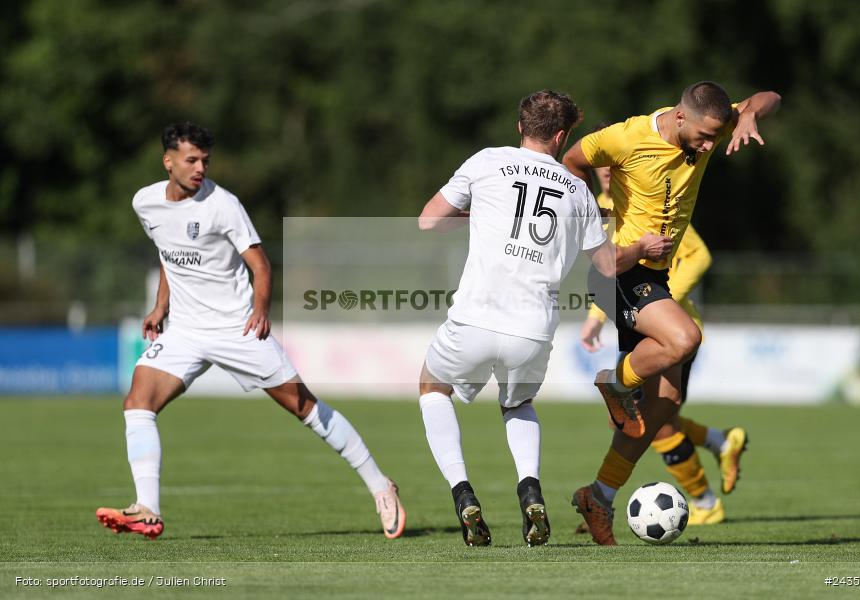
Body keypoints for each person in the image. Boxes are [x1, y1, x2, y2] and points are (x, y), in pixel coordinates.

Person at [96, 123, 405, 540]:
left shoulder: (223, 205)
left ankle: (380, 485)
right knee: (138, 401)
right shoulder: (145, 203)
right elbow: (170, 254)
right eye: (191, 160)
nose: (200, 168)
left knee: (305, 408)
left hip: (236, 326)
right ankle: (147, 509)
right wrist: (161, 305)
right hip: (185, 329)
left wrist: (260, 310)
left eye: (205, 160)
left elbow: (260, 264)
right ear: (168, 162)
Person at [563, 81, 780, 544]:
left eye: (713, 137)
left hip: (653, 278)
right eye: (703, 136)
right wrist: (593, 229)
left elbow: (770, 96)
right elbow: (572, 161)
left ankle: (598, 495)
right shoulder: (625, 137)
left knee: (663, 408)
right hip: (619, 272)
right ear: (680, 117)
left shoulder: (712, 125)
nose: (708, 147)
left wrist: (749, 115)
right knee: (684, 340)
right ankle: (616, 380)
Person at [416, 90, 626, 547]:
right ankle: (530, 488)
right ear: (561, 135)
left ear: (520, 128)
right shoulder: (578, 189)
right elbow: (608, 265)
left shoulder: (487, 161)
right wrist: (641, 248)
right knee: (517, 404)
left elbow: (428, 221)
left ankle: (462, 493)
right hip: (533, 328)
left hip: (475, 315)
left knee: (433, 388)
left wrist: (478, 214)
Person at [579, 165, 747, 523]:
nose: (607, 174)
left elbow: (698, 254)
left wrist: (662, 299)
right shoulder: (598, 205)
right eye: (601, 169)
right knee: (641, 418)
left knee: (656, 417)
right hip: (639, 325)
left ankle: (705, 502)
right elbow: (609, 268)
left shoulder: (649, 205)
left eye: (614, 167)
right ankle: (719, 441)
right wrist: (595, 318)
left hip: (671, 331)